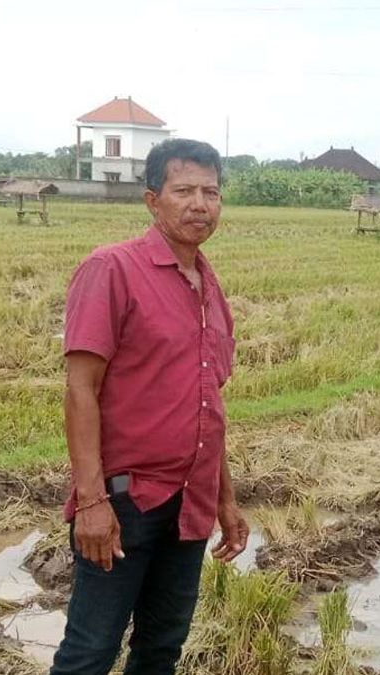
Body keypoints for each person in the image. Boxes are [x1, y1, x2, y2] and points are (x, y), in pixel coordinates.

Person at [51, 138, 249, 675]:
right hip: (125, 506)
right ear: (151, 200)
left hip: (190, 507)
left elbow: (210, 408)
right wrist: (91, 502)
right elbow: (79, 391)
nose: (199, 204)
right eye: (183, 190)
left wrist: (225, 501)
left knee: (161, 649)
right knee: (89, 653)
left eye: (211, 192)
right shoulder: (112, 270)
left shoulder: (209, 285)